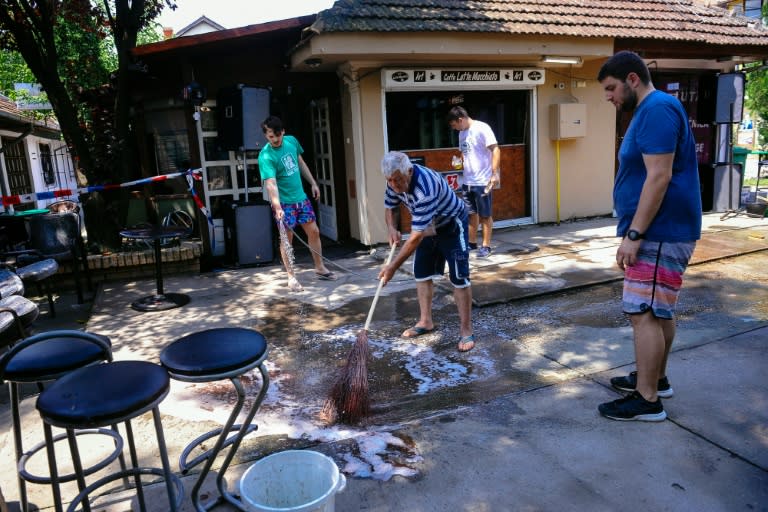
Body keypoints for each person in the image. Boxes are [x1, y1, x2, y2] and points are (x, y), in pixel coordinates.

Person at [596, 51, 702, 421]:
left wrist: (635, 233)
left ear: (632, 79)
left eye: (611, 88)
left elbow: (659, 176)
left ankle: (647, 400)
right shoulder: (651, 109)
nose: (608, 97)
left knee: (643, 313)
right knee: (658, 311)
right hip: (662, 231)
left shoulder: (656, 109)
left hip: (659, 232)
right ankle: (655, 378)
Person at [378, 151, 475, 352]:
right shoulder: (392, 182)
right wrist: (391, 228)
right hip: (427, 228)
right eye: (390, 181)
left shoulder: (425, 187)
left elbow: (415, 238)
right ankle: (425, 322)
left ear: (409, 171)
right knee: (422, 274)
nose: (394, 185)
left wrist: (392, 267)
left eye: (398, 180)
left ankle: (466, 330)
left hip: (451, 225)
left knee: (459, 278)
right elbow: (390, 207)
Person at [258, 116, 336, 292]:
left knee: (314, 231)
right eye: (271, 137)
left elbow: (300, 162)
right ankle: (291, 277)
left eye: (278, 135)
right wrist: (277, 206)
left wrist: (313, 183)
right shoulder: (266, 156)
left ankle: (319, 267)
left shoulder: (291, 141)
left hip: (301, 198)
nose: (276, 140)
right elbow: (270, 183)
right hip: (284, 202)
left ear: (283, 132)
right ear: (266, 136)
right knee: (287, 239)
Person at [447, 106, 501, 258]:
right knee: (470, 214)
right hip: (467, 181)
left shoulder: (482, 128)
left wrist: (494, 173)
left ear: (460, 120)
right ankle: (472, 243)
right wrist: (459, 162)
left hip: (482, 181)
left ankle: (486, 246)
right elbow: (465, 154)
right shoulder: (462, 133)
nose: (454, 128)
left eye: (454, 125)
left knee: (485, 215)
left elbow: (496, 150)